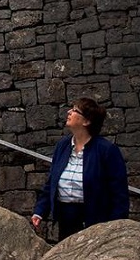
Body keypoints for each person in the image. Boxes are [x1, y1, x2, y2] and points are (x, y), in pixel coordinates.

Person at [31, 98, 129, 241]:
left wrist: (114, 228)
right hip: (65, 220)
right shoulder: (63, 146)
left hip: (94, 222)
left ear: (86, 121)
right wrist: (40, 211)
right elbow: (51, 182)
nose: (69, 112)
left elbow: (119, 194)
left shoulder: (107, 150)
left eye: (75, 110)